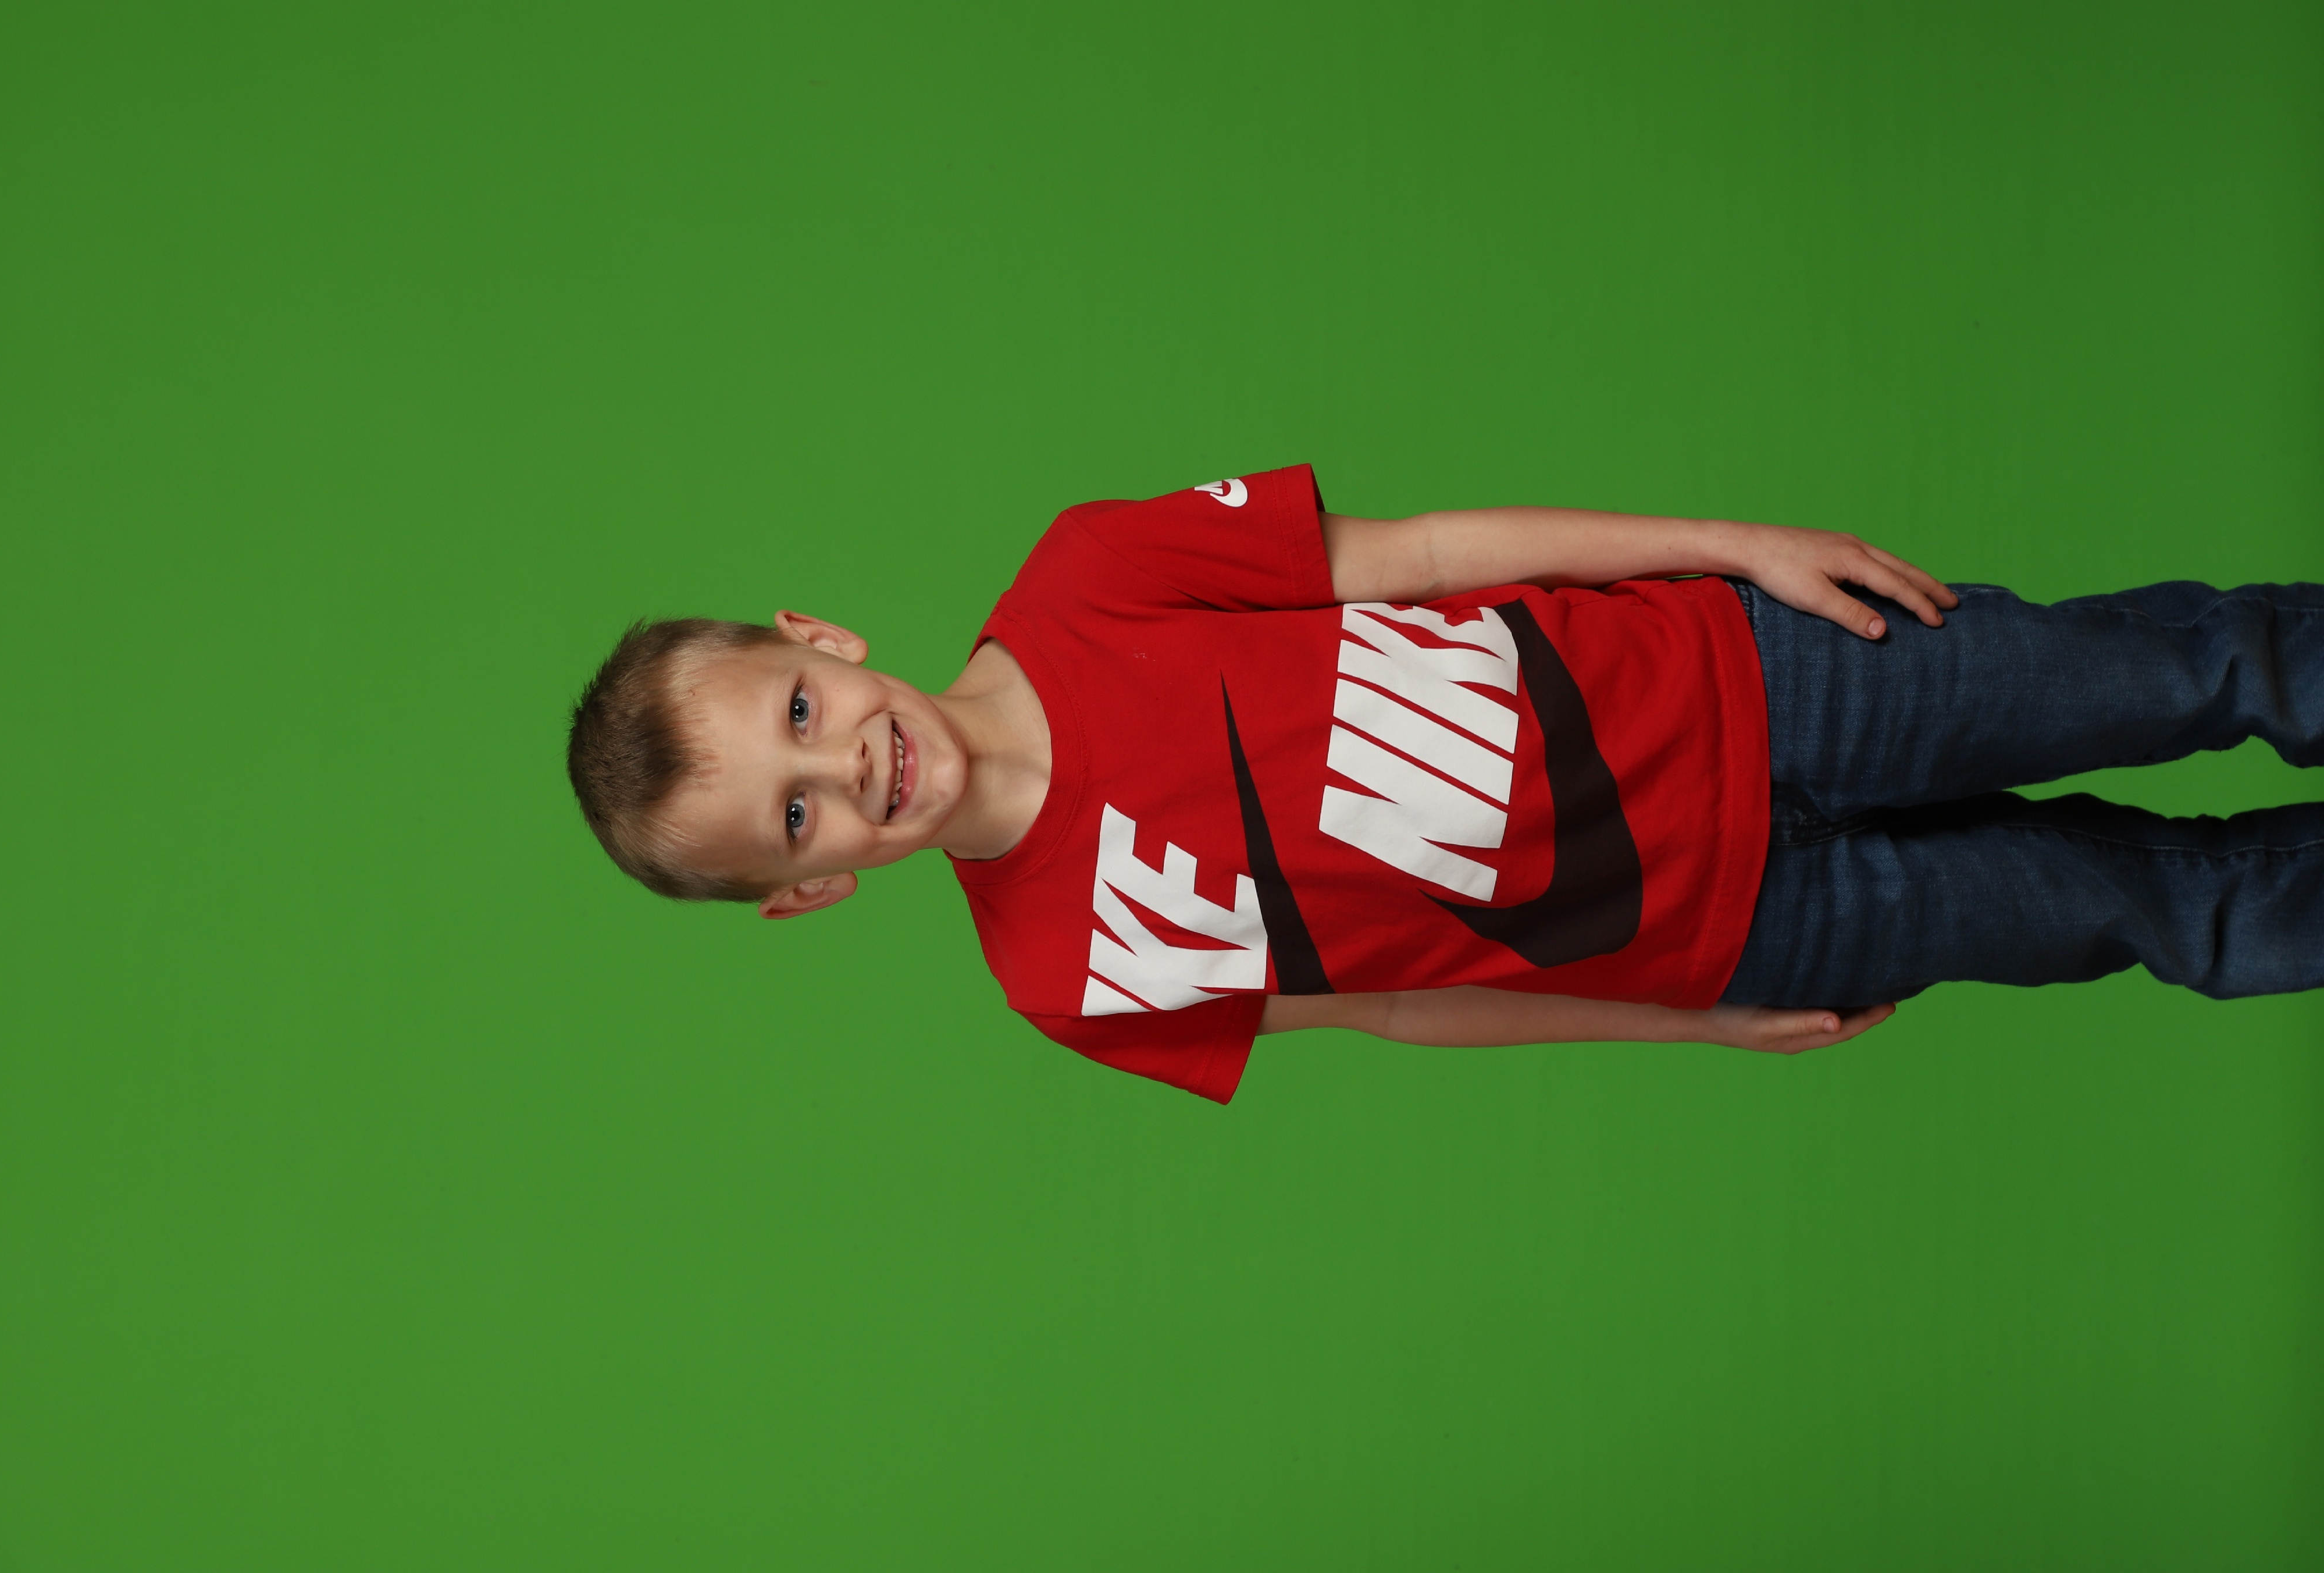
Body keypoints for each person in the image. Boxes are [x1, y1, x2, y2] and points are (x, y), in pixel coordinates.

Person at [565, 465, 2324, 1102]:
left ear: (819, 636)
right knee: (2157, 914)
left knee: (2190, 669)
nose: (846, 766)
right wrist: (1694, 1027)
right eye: (794, 816)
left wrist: (1728, 545)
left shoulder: (1092, 571)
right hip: (1747, 926)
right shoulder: (1063, 977)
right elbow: (1398, 1008)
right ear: (811, 888)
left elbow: (1415, 551)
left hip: (1759, 681)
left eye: (801, 710)